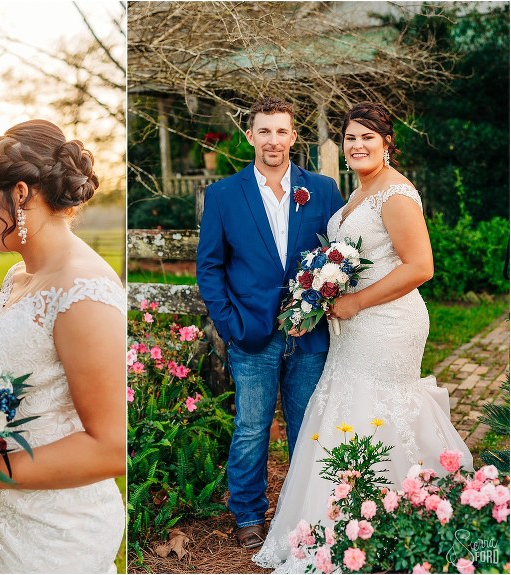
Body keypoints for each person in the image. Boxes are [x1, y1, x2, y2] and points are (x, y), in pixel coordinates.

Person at [253, 102, 473, 570]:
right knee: (347, 407)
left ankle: (396, 515)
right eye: (350, 138)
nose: (357, 146)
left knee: (377, 407)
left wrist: (355, 301)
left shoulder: (395, 194)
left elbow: (421, 267)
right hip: (352, 329)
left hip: (388, 322)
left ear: (387, 143)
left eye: (367, 137)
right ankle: (346, 521)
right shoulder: (358, 192)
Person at [0, 119, 126, 574]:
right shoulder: (17, 275)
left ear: (21, 193)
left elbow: (111, 446)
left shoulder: (83, 290)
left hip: (52, 531)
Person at [196, 97, 345, 549]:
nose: (273, 140)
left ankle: (305, 513)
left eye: (281, 131)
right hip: (251, 333)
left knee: (307, 427)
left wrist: (324, 303)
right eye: (264, 131)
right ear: (250, 137)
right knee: (251, 428)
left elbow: (341, 254)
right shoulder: (223, 195)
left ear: (293, 136)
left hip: (310, 333)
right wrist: (230, 325)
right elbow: (210, 267)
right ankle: (247, 514)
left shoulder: (322, 190)